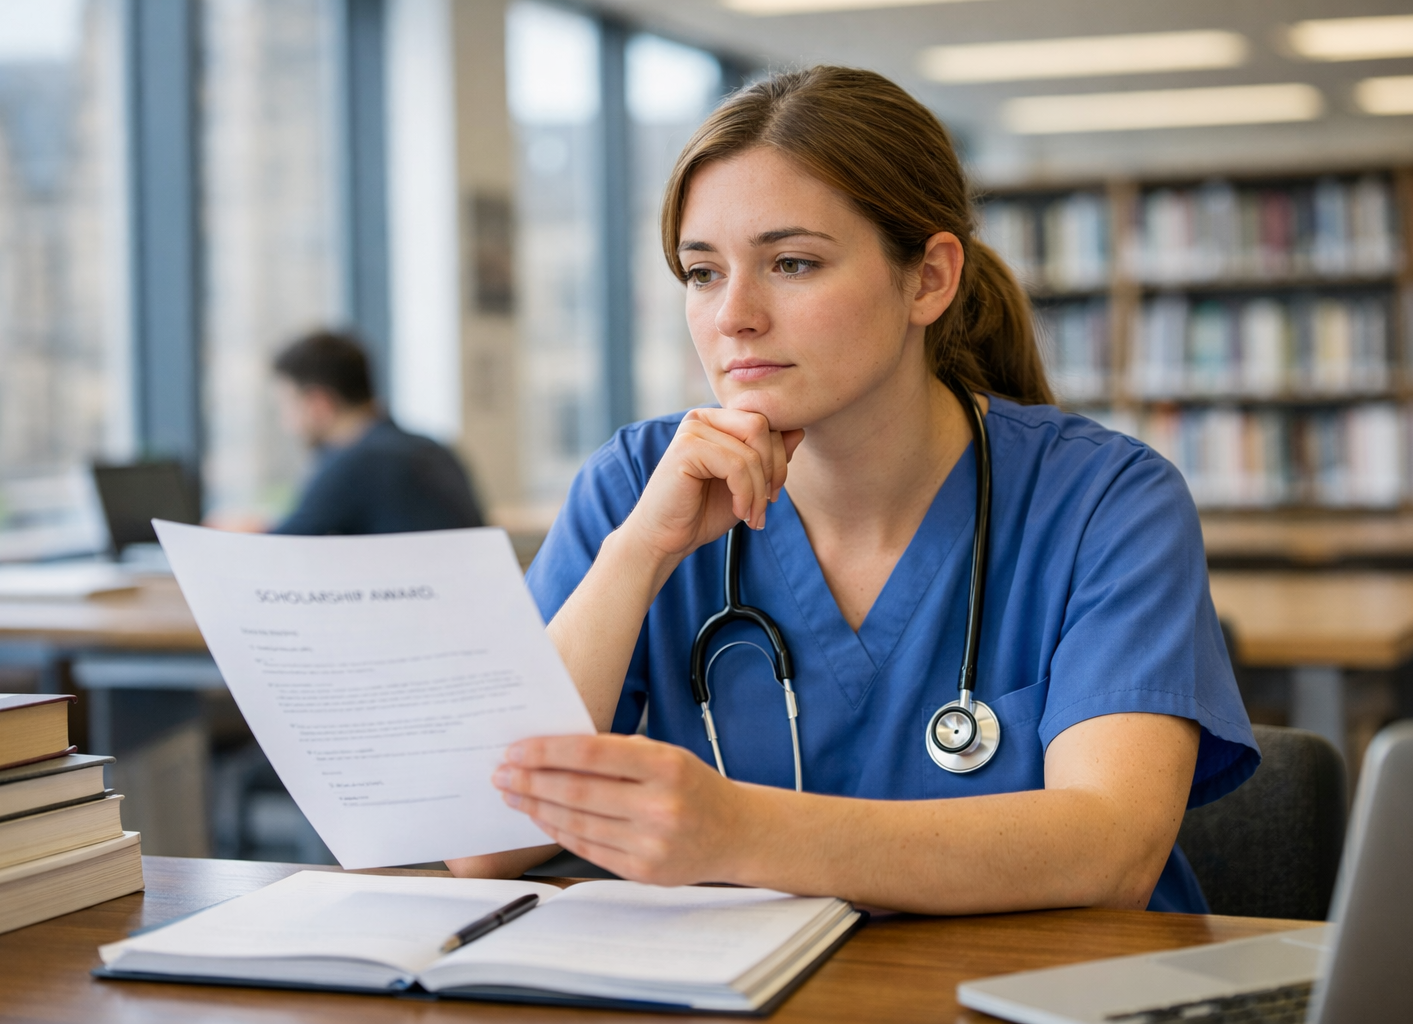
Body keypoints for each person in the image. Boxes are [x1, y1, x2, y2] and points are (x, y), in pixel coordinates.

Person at [448, 66, 1257, 916]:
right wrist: (639, 554)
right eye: (702, 273)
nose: (734, 317)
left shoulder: (1104, 501)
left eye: (791, 263)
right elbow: (483, 842)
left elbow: (1111, 848)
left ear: (929, 279)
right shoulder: (637, 486)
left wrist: (737, 833)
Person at [268, 329, 484, 536]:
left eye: (286, 406)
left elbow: (278, 550)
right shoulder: (435, 450)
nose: (285, 423)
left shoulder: (354, 462)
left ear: (318, 404)